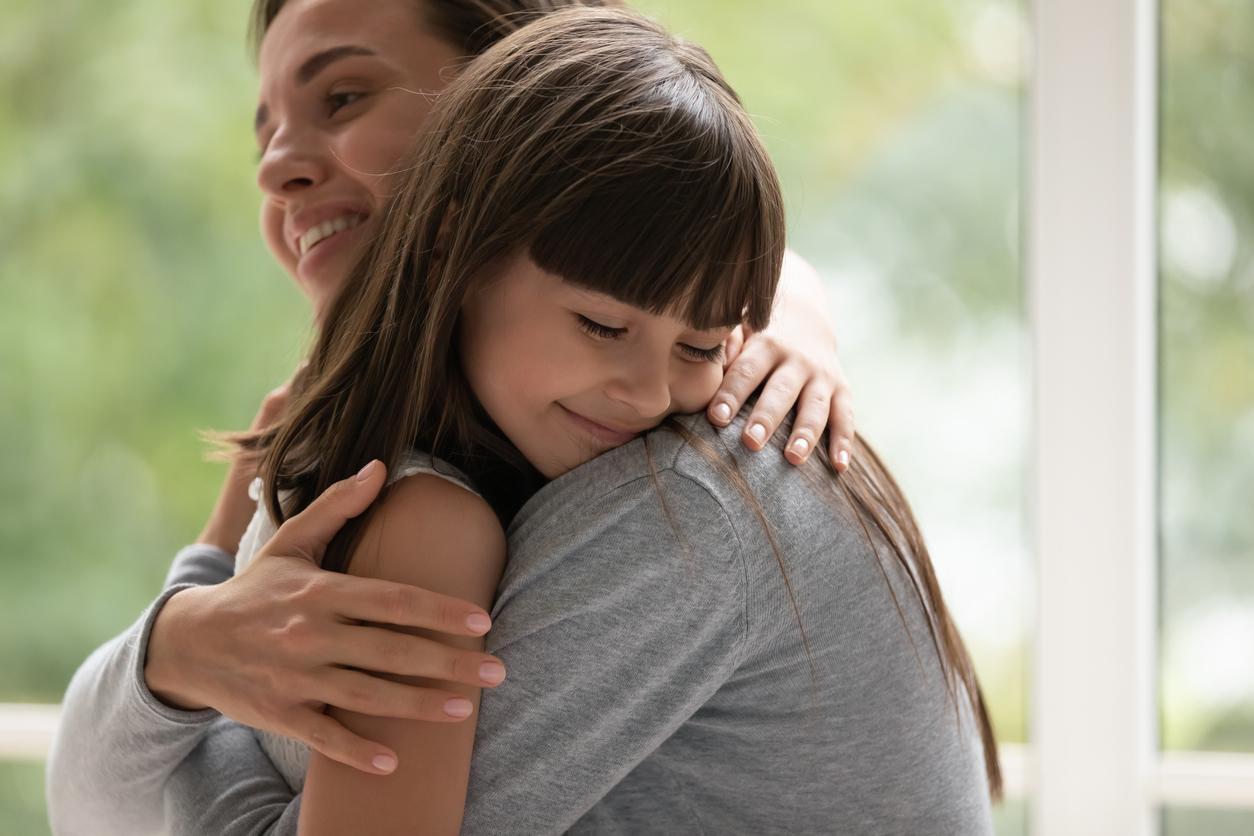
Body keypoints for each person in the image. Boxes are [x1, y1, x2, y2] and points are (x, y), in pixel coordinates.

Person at [142, 6, 998, 833]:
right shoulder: (414, 493)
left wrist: (190, 706)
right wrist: (189, 640)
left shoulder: (669, 502)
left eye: (701, 347)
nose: (649, 394)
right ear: (455, 250)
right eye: (601, 328)